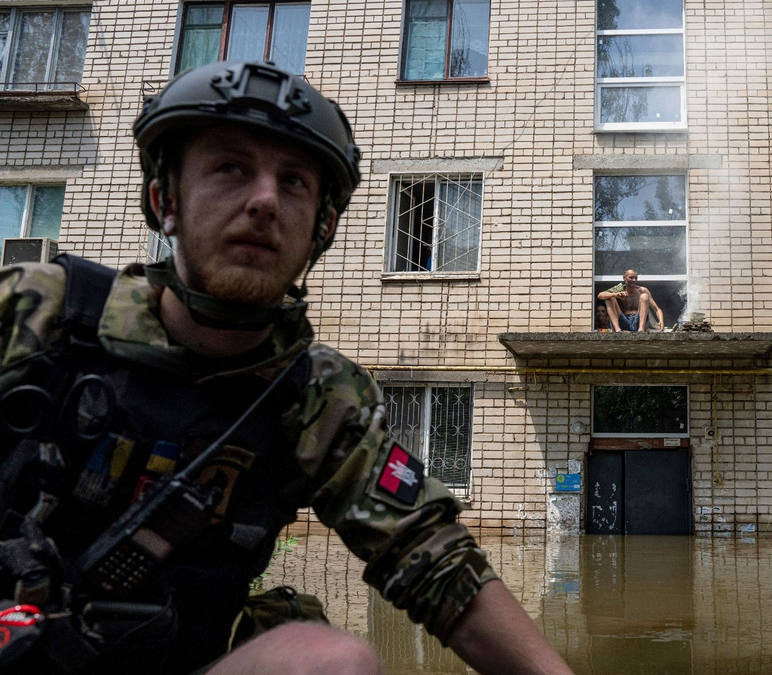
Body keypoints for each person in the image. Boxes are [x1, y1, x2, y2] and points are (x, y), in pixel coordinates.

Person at [0, 61, 574, 675]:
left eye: (295, 182)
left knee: (328, 659)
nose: (265, 201)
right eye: (230, 169)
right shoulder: (38, 310)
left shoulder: (318, 397)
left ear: (321, 228)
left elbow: (430, 555)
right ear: (165, 200)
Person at [597, 269, 664, 332]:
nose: (634, 280)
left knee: (644, 296)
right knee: (610, 298)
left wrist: (661, 321)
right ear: (624, 278)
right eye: (631, 277)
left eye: (636, 278)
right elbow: (600, 295)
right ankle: (617, 331)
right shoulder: (619, 289)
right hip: (623, 321)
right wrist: (616, 295)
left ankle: (641, 329)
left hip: (638, 321)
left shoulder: (642, 290)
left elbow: (657, 309)